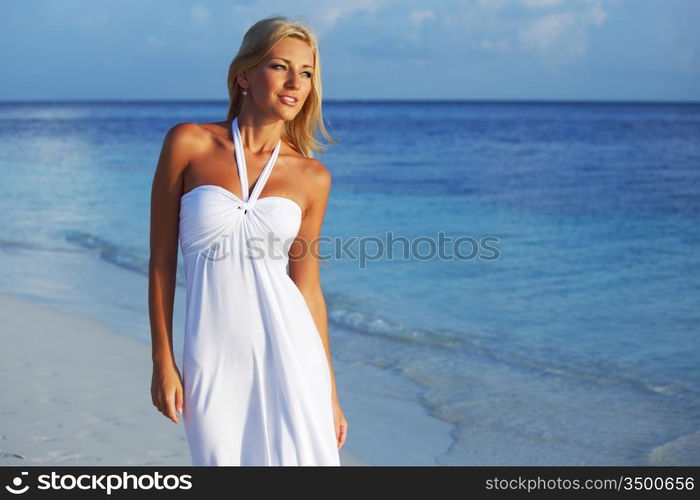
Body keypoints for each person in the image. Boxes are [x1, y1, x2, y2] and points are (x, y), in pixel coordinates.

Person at [148, 15, 347, 466]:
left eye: (308, 72)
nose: (296, 81)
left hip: (294, 357)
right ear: (244, 74)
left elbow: (308, 289)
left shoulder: (312, 177)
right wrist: (163, 359)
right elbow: (160, 259)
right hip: (213, 357)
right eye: (280, 66)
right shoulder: (188, 143)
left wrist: (330, 393)